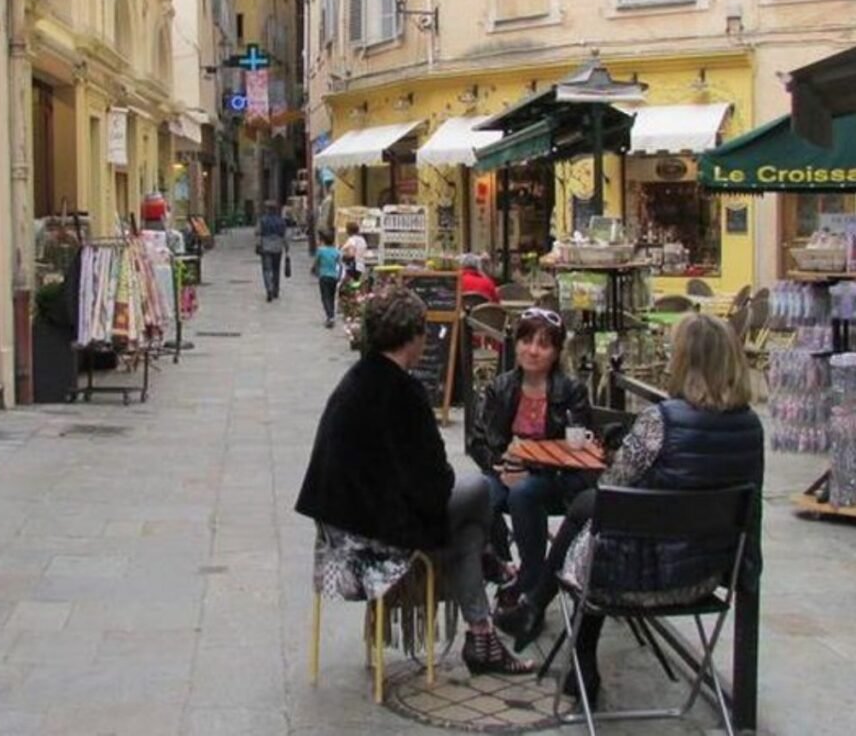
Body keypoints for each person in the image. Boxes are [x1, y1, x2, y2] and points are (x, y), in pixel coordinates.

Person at [497, 314, 764, 707]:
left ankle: (548, 618)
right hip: (707, 574)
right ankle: (539, 609)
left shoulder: (663, 421)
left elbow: (613, 485)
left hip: (640, 577)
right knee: (598, 515)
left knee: (598, 517)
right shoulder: (752, 427)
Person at [295, 287, 535, 676]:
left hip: (338, 529)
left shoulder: (357, 379)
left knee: (468, 531)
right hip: (372, 537)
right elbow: (434, 485)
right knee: (481, 492)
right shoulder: (403, 392)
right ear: (414, 337)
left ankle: (483, 627)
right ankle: (491, 587)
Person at [468, 308, 593, 599]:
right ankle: (500, 563)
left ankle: (532, 577)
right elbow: (478, 441)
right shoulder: (500, 387)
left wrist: (531, 469)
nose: (533, 351)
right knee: (478, 492)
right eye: (526, 341)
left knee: (524, 491)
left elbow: (579, 446)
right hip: (506, 473)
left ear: (556, 352)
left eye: (543, 344)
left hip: (555, 479)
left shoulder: (571, 390)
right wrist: (500, 465)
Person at [255, 200, 287, 302]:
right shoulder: (281, 221)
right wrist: (286, 246)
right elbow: (284, 235)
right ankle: (275, 290)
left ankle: (268, 288)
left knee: (266, 269)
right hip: (277, 247)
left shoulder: (262, 220)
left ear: (267, 209)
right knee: (276, 269)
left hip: (266, 246)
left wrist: (258, 245)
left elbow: (258, 233)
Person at [312, 229, 341, 327]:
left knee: (325, 297)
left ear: (323, 240)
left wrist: (313, 270)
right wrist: (339, 275)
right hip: (334, 277)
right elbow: (340, 265)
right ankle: (331, 315)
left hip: (324, 276)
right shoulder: (337, 252)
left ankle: (330, 316)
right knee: (332, 297)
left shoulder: (321, 251)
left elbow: (316, 262)